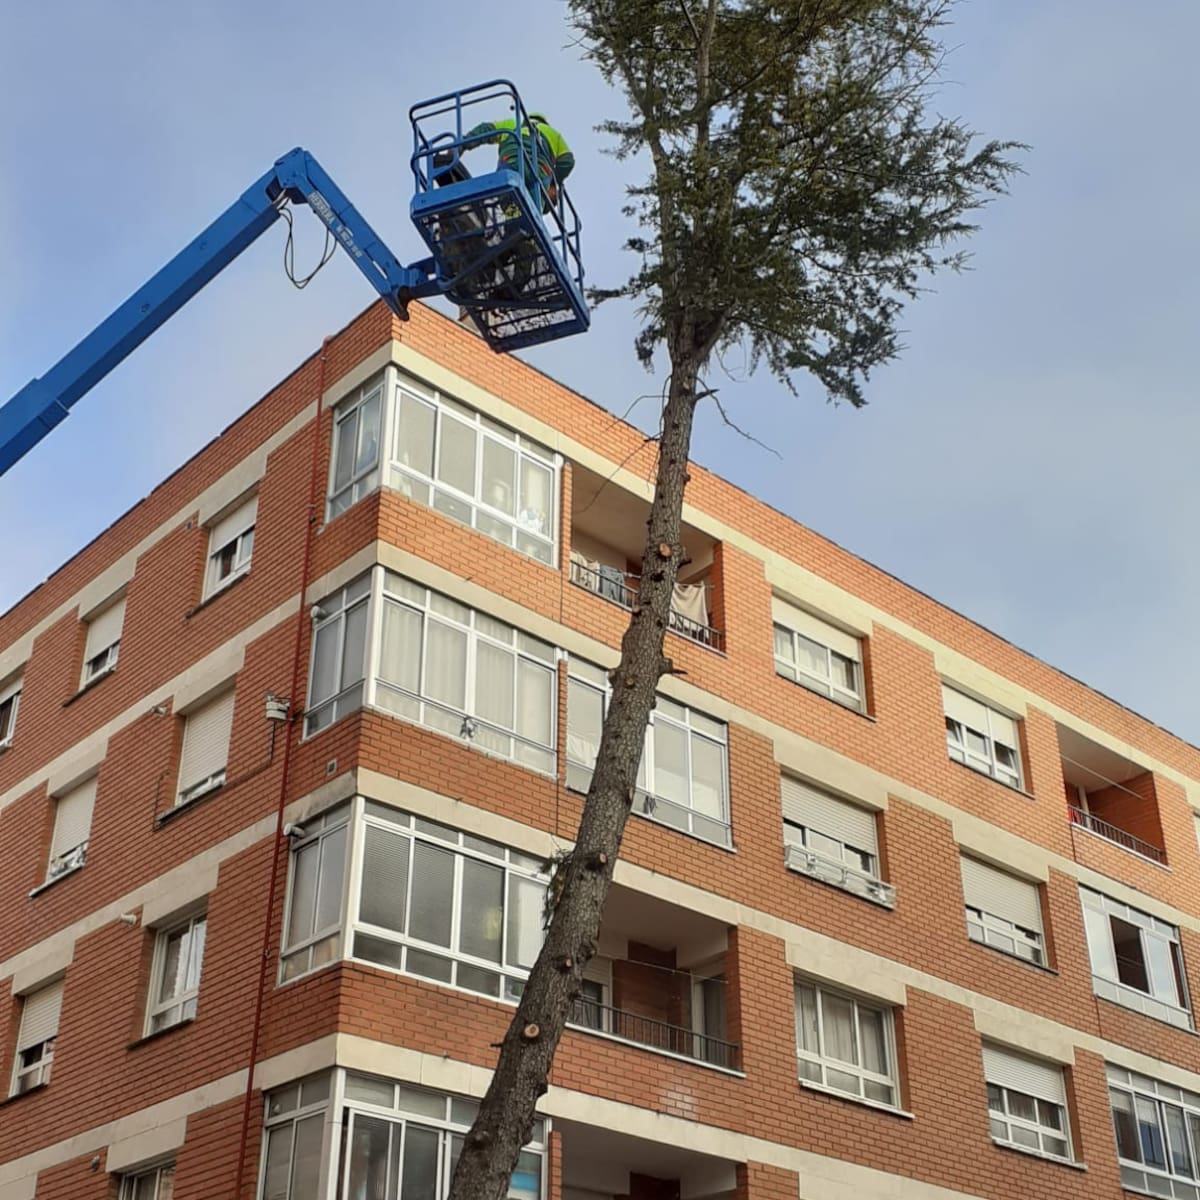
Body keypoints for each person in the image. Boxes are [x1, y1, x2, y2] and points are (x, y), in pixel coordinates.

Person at [465, 111, 574, 211]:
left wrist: (463, 144)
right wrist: (553, 181)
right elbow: (567, 161)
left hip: (512, 163)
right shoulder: (554, 134)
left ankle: (506, 214)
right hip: (539, 174)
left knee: (507, 204)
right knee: (532, 212)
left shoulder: (513, 123)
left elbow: (486, 129)